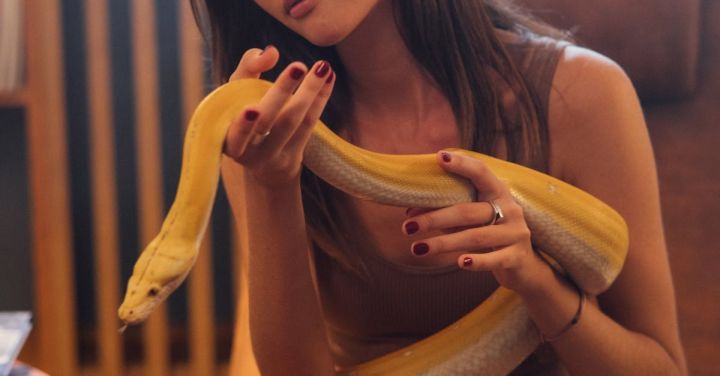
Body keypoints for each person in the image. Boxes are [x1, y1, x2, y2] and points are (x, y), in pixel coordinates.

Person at [191, 0, 687, 374]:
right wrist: (271, 186)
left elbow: (661, 366)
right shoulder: (260, 130)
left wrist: (535, 284)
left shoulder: (582, 94)